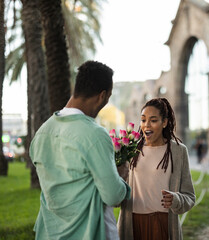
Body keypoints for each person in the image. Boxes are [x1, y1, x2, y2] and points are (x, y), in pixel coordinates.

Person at [30, 60, 131, 240]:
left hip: (49, 234)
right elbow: (113, 196)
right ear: (102, 96)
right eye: (108, 99)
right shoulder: (95, 134)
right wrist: (122, 175)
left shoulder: (42, 133)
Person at [117, 98, 196, 240]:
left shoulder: (178, 151)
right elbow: (117, 195)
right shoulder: (129, 150)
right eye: (143, 120)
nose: (146, 125)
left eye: (153, 120)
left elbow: (189, 196)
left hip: (164, 225)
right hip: (133, 225)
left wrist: (176, 199)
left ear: (164, 122)